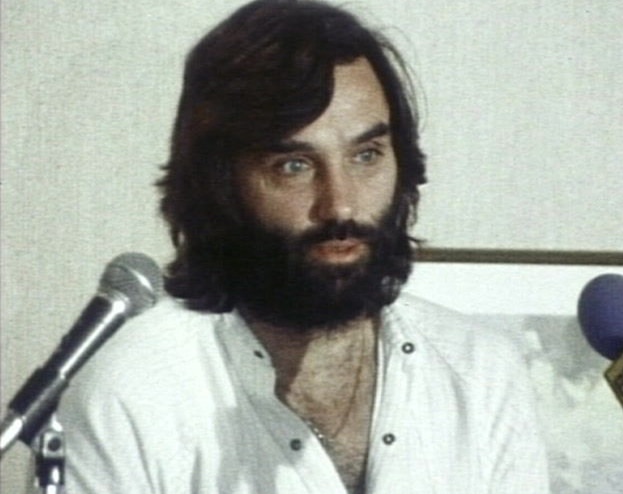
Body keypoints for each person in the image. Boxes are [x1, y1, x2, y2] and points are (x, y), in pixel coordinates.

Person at [57, 1, 549, 492]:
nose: (340, 205)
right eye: (293, 165)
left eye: (367, 155)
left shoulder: (481, 373)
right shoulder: (132, 393)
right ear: (221, 183)